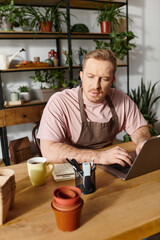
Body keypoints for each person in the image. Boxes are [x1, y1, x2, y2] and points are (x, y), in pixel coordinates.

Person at [37, 49, 150, 166]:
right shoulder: (60, 102)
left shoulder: (121, 99)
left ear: (112, 80)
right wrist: (99, 156)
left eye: (104, 79)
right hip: (72, 168)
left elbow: (139, 129)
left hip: (107, 165)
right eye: (90, 77)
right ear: (81, 76)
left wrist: (142, 141)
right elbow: (48, 151)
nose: (96, 86)